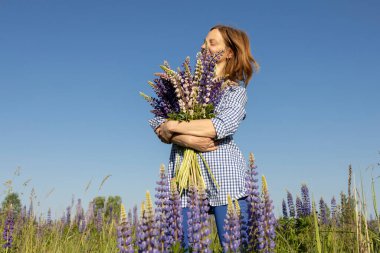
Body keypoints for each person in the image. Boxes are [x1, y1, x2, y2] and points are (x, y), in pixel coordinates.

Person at [148, 24, 259, 250]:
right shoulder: (185, 85)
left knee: (235, 247)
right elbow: (158, 124)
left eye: (211, 42)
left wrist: (173, 127)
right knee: (187, 246)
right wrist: (184, 139)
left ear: (229, 52)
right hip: (184, 181)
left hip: (225, 177)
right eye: (203, 41)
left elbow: (220, 125)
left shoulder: (234, 92)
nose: (203, 46)